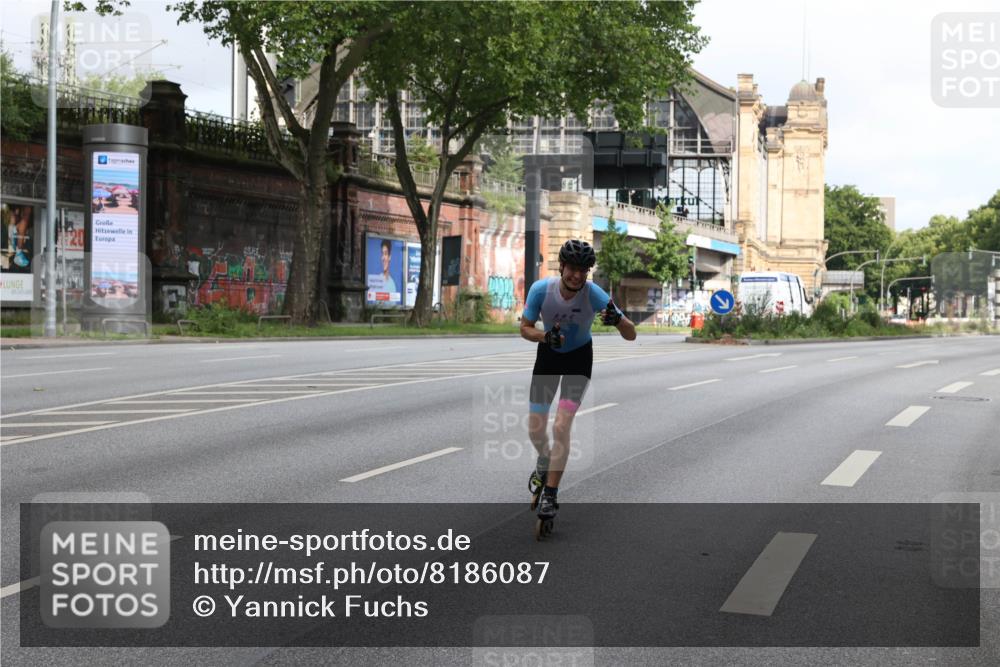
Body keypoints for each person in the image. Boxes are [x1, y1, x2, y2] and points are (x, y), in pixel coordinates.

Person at [519, 239, 636, 523]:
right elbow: (524, 328)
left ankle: (551, 493)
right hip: (549, 354)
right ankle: (544, 460)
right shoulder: (540, 290)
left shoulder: (594, 294)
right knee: (535, 428)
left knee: (561, 426)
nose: (577, 275)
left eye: (583, 270)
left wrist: (617, 321)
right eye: (572, 268)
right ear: (561, 267)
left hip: (578, 359)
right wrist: (544, 337)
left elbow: (631, 334)